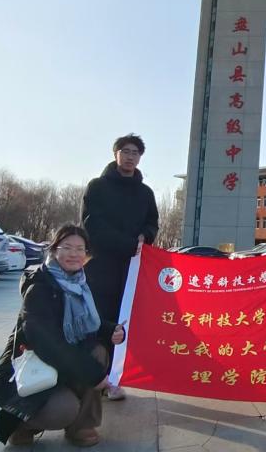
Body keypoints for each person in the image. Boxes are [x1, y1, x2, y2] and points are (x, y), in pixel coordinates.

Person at [0, 225, 127, 447]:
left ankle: (81, 426)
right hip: (33, 367)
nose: (74, 254)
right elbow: (47, 343)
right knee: (64, 409)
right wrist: (93, 374)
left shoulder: (80, 283)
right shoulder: (39, 287)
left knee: (99, 352)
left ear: (86, 254)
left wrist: (110, 329)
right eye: (67, 247)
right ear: (54, 250)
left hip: (61, 365)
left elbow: (88, 320)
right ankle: (21, 423)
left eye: (80, 249)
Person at [81, 133, 158, 400]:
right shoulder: (97, 187)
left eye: (135, 153)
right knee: (100, 321)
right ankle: (95, 377)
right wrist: (127, 243)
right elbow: (92, 225)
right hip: (101, 267)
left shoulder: (145, 193)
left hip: (132, 269)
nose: (130, 157)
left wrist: (145, 236)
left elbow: (152, 223)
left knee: (124, 322)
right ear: (116, 154)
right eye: (125, 151)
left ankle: (114, 379)